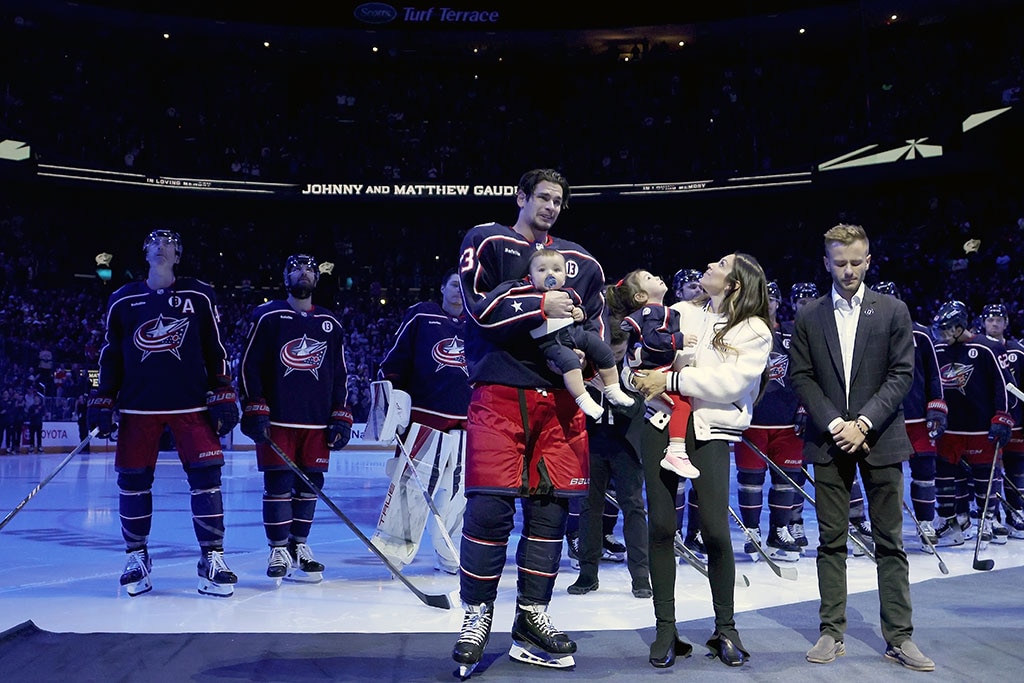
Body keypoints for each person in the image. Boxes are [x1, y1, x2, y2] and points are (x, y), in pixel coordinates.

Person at [452, 168, 605, 675]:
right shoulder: (487, 240)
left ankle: (531, 615)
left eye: (558, 200)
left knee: (551, 512)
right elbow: (478, 310)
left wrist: (602, 372)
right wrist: (541, 301)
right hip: (500, 393)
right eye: (542, 197)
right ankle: (477, 613)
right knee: (490, 509)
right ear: (521, 197)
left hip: (561, 401)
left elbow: (596, 324)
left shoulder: (582, 259)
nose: (550, 206)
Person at [789, 223, 933, 671]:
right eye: (840, 262)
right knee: (831, 541)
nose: (848, 270)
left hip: (882, 438)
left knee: (890, 541)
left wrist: (864, 422)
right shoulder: (809, 315)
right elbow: (801, 376)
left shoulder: (893, 310)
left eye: (856, 262)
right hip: (829, 441)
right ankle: (832, 632)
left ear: (868, 260)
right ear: (826, 262)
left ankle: (900, 638)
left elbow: (901, 375)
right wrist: (836, 423)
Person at [631, 253, 772, 669]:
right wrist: (636, 374)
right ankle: (665, 629)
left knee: (714, 529)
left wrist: (671, 378)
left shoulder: (754, 329)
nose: (711, 264)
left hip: (712, 431)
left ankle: (725, 628)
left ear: (736, 284)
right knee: (660, 524)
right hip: (659, 423)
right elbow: (641, 358)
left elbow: (729, 383)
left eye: (722, 263)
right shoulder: (677, 312)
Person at [88, 229, 240, 597]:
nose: (160, 247)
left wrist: (223, 389)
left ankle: (212, 557)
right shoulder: (122, 300)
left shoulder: (199, 294)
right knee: (133, 481)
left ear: (178, 254)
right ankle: (137, 557)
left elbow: (215, 348)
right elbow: (110, 354)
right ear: (144, 252)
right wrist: (102, 398)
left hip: (192, 405)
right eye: (154, 243)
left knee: (207, 478)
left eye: (168, 243)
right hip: (139, 407)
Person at [239, 254, 353, 583]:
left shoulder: (331, 323)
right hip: (278, 420)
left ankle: (299, 545)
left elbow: (340, 373)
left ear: (317, 279)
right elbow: (249, 364)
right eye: (295, 269)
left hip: (317, 422)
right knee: (278, 484)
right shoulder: (268, 315)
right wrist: (254, 405)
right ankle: (277, 548)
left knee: (310, 486)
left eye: (309, 270)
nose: (302, 274)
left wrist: (342, 414)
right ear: (285, 276)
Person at [370, 269, 471, 575]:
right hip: (424, 423)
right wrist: (392, 404)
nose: (458, 291)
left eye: (464, 286)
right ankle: (394, 553)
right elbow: (393, 363)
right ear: (442, 288)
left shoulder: (479, 324)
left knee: (457, 495)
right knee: (409, 491)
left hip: (468, 425)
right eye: (454, 284)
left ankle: (450, 554)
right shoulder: (422, 316)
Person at [565, 304, 651, 599]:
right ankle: (588, 574)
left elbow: (641, 408)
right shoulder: (584, 366)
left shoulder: (636, 366)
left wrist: (617, 394)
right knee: (590, 509)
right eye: (609, 350)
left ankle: (641, 577)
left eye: (619, 349)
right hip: (592, 442)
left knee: (634, 507)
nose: (614, 356)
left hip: (627, 445)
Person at [872, 281, 948, 550]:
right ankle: (885, 529)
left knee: (925, 472)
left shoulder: (922, 334)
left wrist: (937, 406)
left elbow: (934, 375)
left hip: (917, 418)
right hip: (883, 418)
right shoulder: (867, 334)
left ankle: (926, 523)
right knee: (885, 477)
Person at [930, 300, 1013, 547]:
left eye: (947, 329)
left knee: (984, 477)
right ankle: (950, 522)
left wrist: (1002, 417)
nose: (943, 335)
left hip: (980, 428)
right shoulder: (940, 349)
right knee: (944, 476)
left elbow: (1004, 386)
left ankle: (987, 521)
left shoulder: (987, 348)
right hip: (949, 428)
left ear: (959, 327)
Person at [734, 280, 804, 563]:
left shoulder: (792, 335)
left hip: (787, 423)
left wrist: (804, 408)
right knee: (750, 481)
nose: (769, 303)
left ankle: (780, 530)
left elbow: (805, 375)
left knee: (785, 481)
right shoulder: (742, 334)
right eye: (764, 298)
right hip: (753, 421)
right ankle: (752, 531)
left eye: (773, 298)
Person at [523, 248, 634, 418]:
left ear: (565, 276)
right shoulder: (529, 296)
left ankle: (613, 388)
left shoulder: (570, 293)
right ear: (530, 277)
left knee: (603, 350)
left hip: (575, 333)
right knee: (570, 362)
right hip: (551, 342)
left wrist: (580, 313)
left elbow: (582, 309)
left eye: (556, 270)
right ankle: (583, 399)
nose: (550, 274)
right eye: (542, 270)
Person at [615, 269, 700, 479]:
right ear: (641, 296)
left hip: (652, 371)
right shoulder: (655, 311)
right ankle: (676, 451)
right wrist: (678, 340)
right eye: (649, 278)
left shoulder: (648, 312)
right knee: (682, 404)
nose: (659, 277)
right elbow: (653, 340)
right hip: (655, 372)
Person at [980, 302, 1024, 539]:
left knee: (1016, 469)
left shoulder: (1018, 351)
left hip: (1016, 422)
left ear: (1006, 322)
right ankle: (991, 515)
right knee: (990, 471)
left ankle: (1015, 511)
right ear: (983, 322)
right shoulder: (977, 347)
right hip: (988, 422)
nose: (994, 323)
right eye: (990, 319)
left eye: (999, 319)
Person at [671, 267, 705, 558]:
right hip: (679, 397)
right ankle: (676, 531)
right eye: (690, 286)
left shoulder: (713, 314)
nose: (698, 290)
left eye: (699, 285)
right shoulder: (673, 312)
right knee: (679, 473)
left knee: (701, 472)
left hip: (705, 402)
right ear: (679, 291)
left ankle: (695, 531)